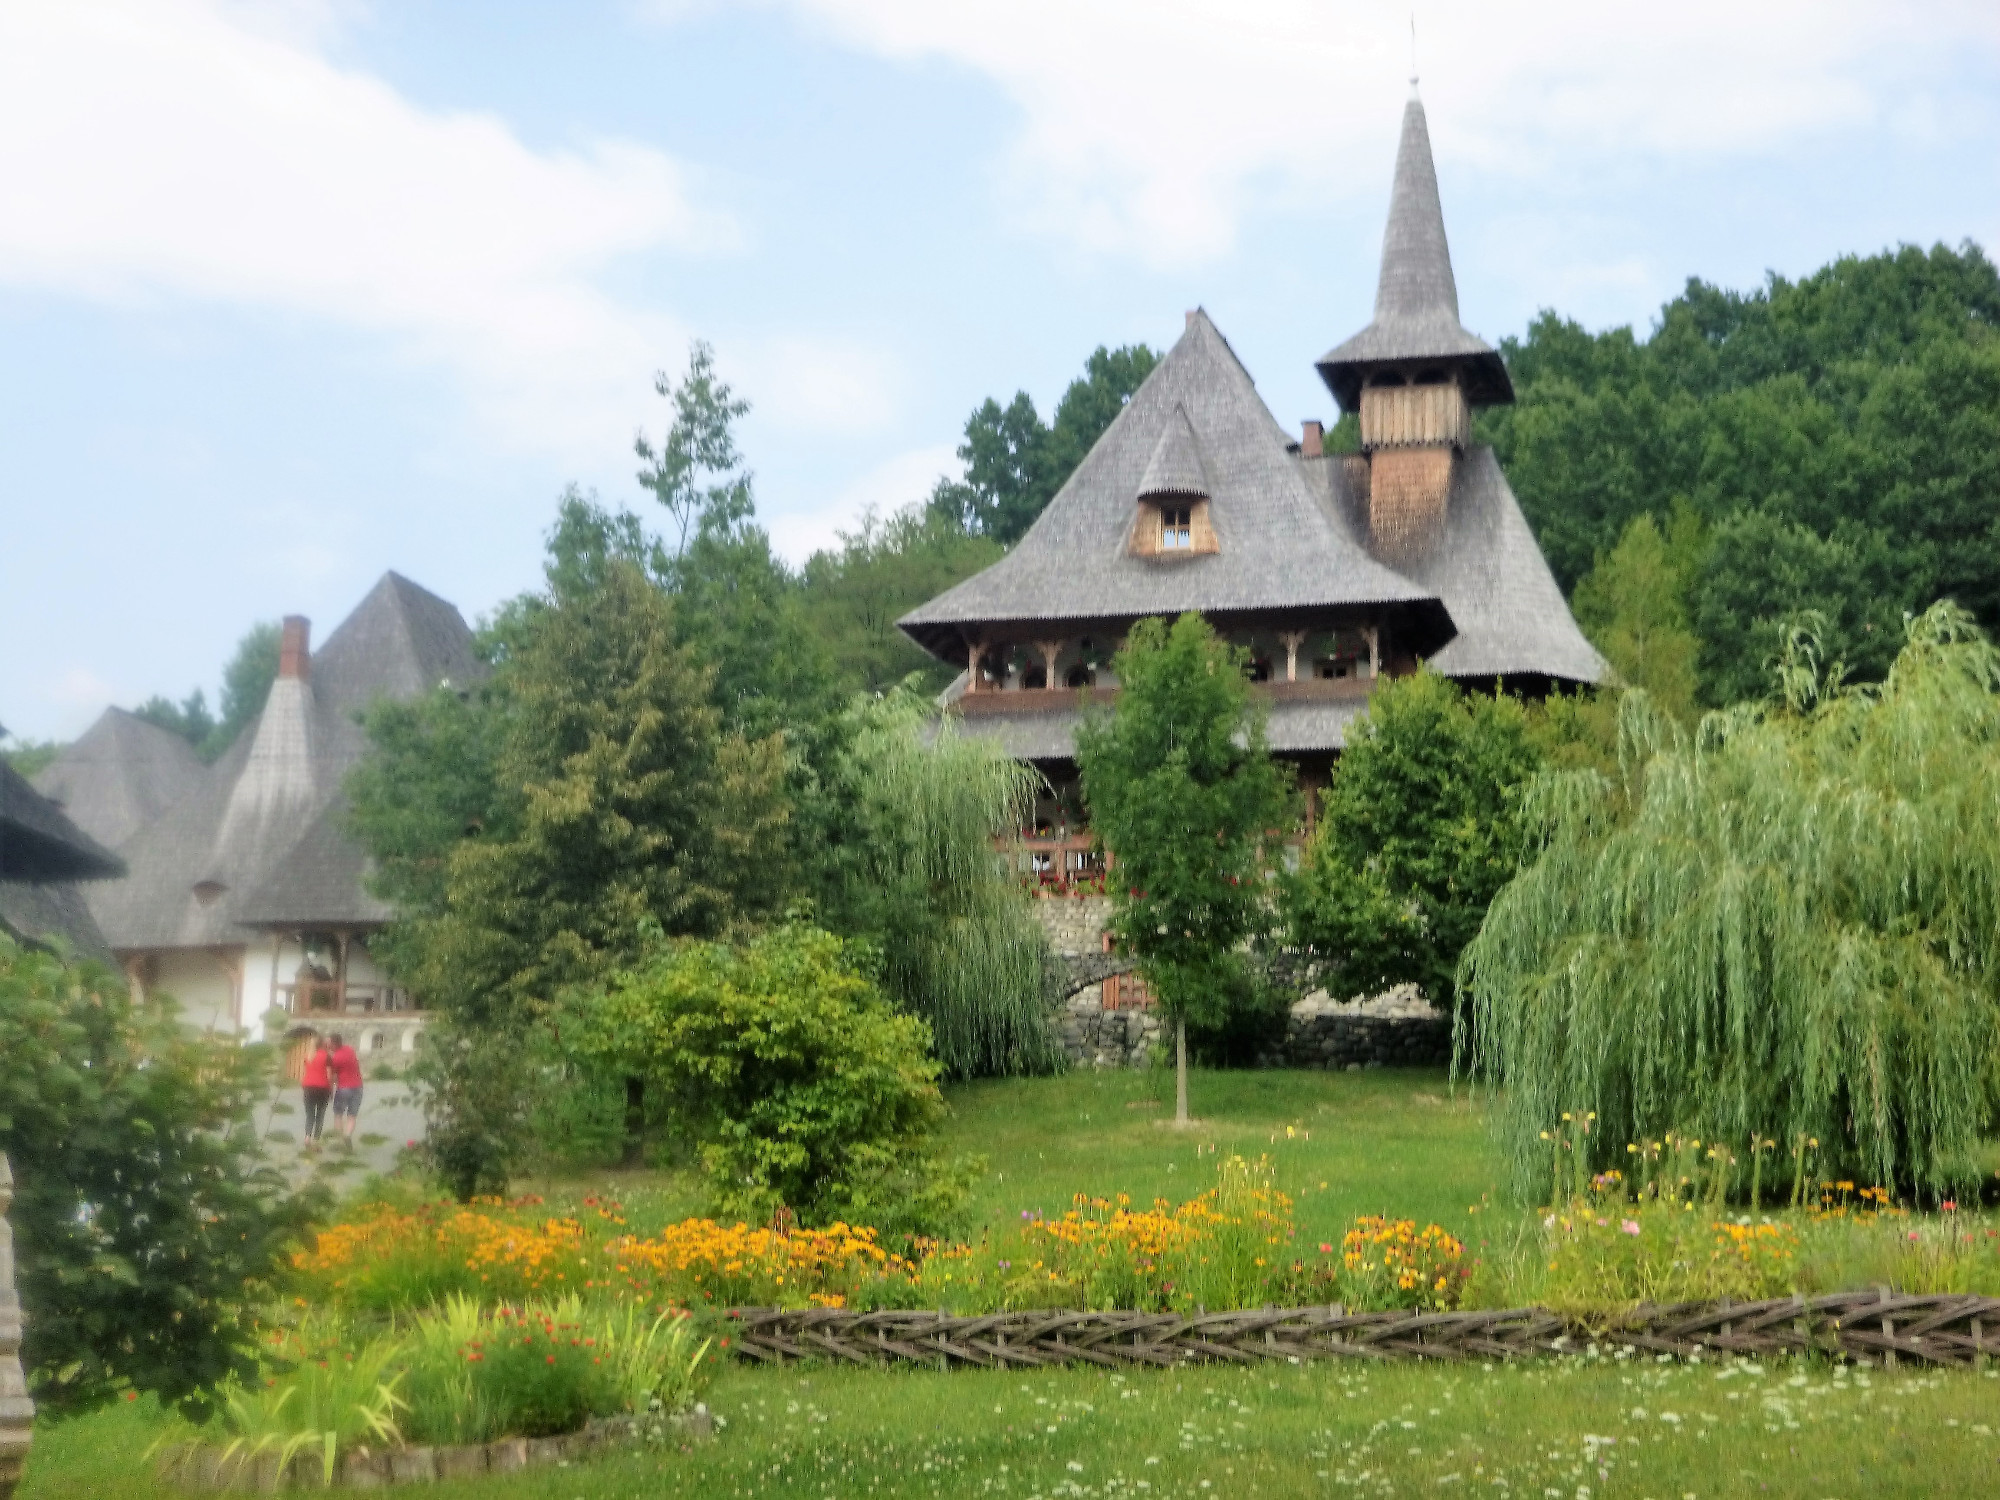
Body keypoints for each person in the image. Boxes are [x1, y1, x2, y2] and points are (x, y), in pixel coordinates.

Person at [327, 1033, 364, 1149]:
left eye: (329, 1043)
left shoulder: (336, 1058)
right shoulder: (350, 1050)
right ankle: (347, 1134)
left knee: (338, 1114)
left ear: (333, 1044)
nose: (327, 1045)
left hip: (344, 1088)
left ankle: (339, 1141)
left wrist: (330, 1091)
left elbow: (332, 1077)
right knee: (352, 1115)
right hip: (358, 1086)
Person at [300, 1033, 332, 1148]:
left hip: (308, 1087)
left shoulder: (308, 1056)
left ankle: (307, 1137)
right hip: (322, 1088)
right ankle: (316, 1140)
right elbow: (328, 1075)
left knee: (309, 1115)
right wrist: (331, 1089)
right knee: (320, 1115)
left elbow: (308, 1071)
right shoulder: (326, 1056)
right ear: (323, 1044)